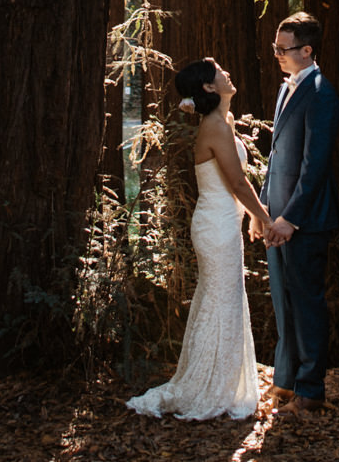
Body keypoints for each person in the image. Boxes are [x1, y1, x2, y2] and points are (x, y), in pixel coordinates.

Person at [126, 58, 271, 421]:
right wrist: (263, 217)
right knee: (220, 302)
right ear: (208, 87)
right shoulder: (214, 128)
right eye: (221, 73)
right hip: (216, 227)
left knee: (224, 301)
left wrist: (250, 215)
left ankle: (221, 382)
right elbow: (237, 183)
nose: (228, 74)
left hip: (223, 223)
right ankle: (207, 387)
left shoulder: (224, 122)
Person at [262, 11, 339, 416]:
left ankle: (311, 390)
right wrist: (264, 209)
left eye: (284, 48)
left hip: (305, 221)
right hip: (275, 217)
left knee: (307, 303)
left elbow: (315, 165)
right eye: (275, 46)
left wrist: (290, 218)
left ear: (307, 50)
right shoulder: (286, 89)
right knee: (283, 301)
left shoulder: (321, 93)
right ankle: (287, 380)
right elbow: (276, 158)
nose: (276, 53)